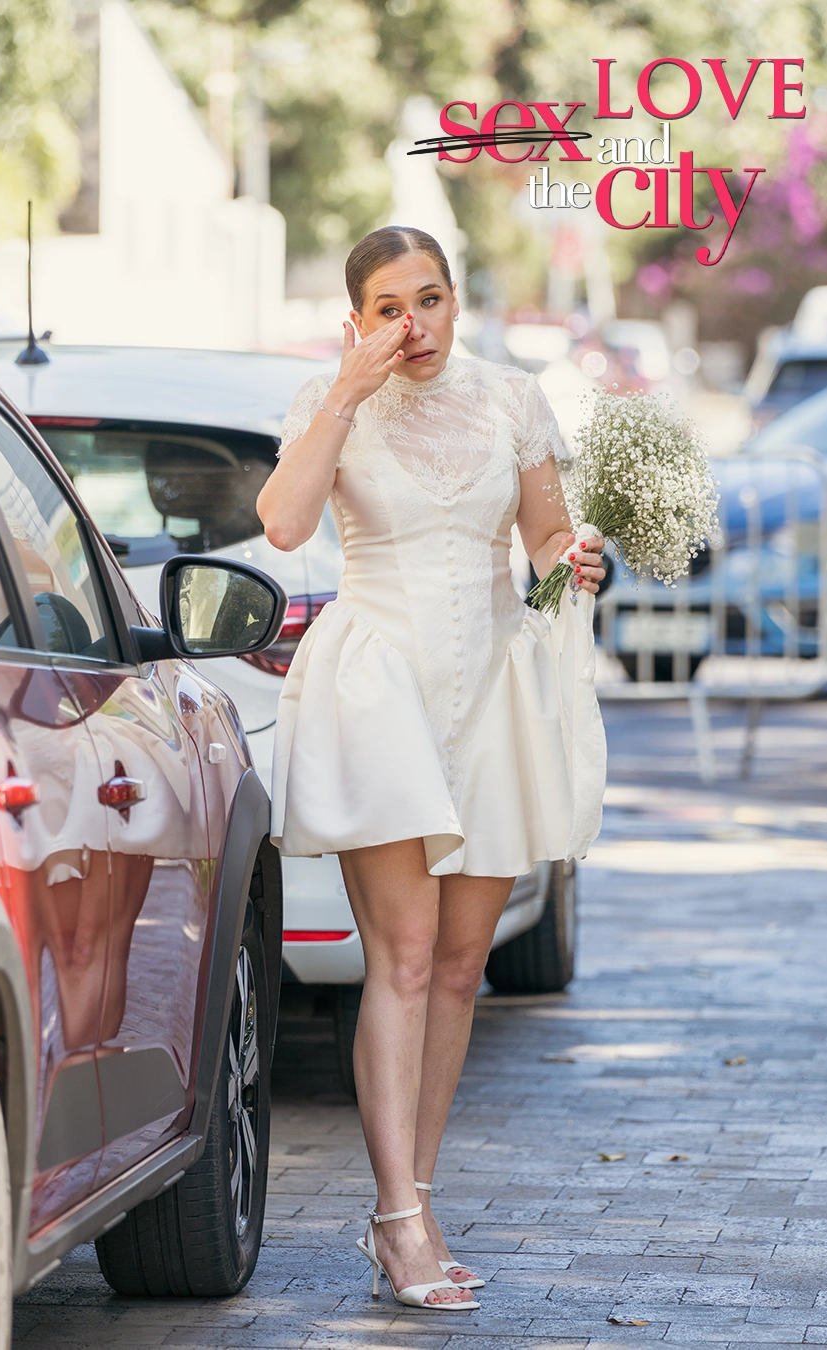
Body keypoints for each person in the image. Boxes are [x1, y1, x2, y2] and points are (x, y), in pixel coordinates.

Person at [256, 226, 607, 1310]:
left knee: (462, 967)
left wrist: (573, 561)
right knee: (402, 961)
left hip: (493, 693)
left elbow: (545, 543)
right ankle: (400, 1222)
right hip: (381, 695)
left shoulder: (513, 402)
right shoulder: (330, 397)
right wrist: (343, 398)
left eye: (433, 299)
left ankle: (412, 1195)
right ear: (355, 319)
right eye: (390, 307)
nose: (416, 325)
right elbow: (282, 523)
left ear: (458, 303)